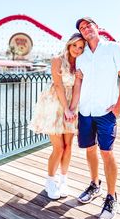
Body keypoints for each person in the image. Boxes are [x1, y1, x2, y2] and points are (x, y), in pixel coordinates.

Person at [69, 17, 120, 219]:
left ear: (98, 27)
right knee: (90, 149)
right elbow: (77, 85)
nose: (86, 29)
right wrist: (72, 108)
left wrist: (119, 105)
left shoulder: (113, 48)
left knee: (107, 152)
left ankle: (112, 196)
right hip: (85, 111)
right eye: (82, 28)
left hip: (106, 111)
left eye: (88, 25)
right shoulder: (81, 56)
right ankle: (95, 184)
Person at [29, 33, 85, 199]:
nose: (77, 49)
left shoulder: (81, 63)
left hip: (71, 104)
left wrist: (73, 109)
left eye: (81, 47)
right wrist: (66, 109)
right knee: (58, 147)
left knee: (68, 145)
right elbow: (59, 86)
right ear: (69, 45)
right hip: (55, 104)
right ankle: (50, 181)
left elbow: (77, 88)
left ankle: (63, 180)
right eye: (75, 45)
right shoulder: (57, 60)